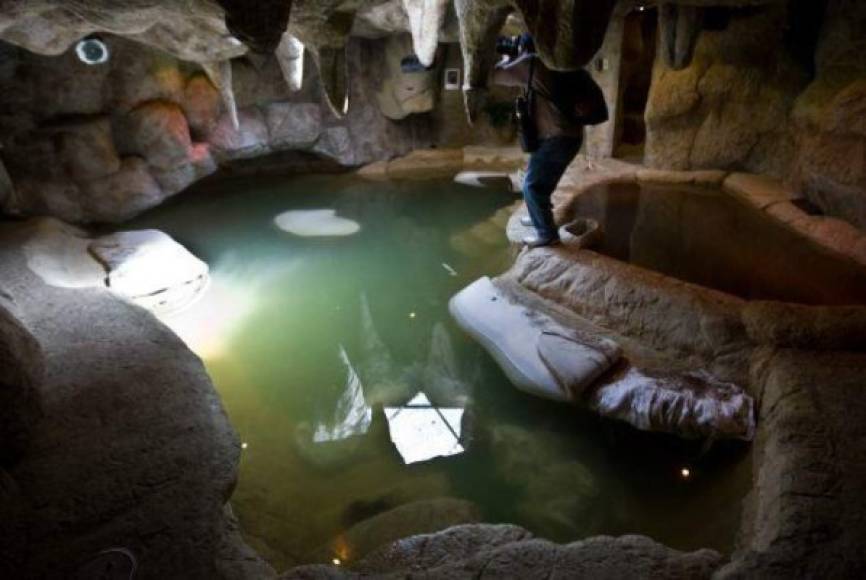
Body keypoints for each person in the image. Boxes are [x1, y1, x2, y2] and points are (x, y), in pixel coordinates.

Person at [492, 34, 601, 248]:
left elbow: (494, 74)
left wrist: (508, 55)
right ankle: (537, 219)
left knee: (533, 186)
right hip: (565, 136)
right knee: (535, 181)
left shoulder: (532, 63)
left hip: (556, 139)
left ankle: (547, 234)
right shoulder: (558, 66)